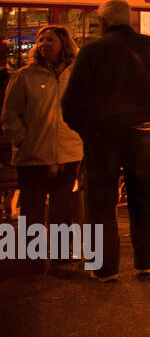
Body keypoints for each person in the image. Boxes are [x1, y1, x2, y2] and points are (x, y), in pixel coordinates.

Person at [61, 0, 150, 281]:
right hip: (142, 131)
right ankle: (147, 261)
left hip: (102, 135)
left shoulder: (91, 51)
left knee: (100, 201)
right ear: (130, 20)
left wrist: (86, 130)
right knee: (146, 198)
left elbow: (72, 100)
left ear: (102, 22)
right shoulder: (149, 46)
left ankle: (105, 268)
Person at [2, 25, 83, 270]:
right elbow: (10, 114)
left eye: (50, 39)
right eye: (40, 40)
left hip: (68, 152)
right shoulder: (25, 75)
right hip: (33, 154)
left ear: (64, 44)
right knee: (33, 208)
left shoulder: (76, 75)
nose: (43, 44)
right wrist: (22, 140)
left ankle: (59, 254)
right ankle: (32, 257)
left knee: (61, 207)